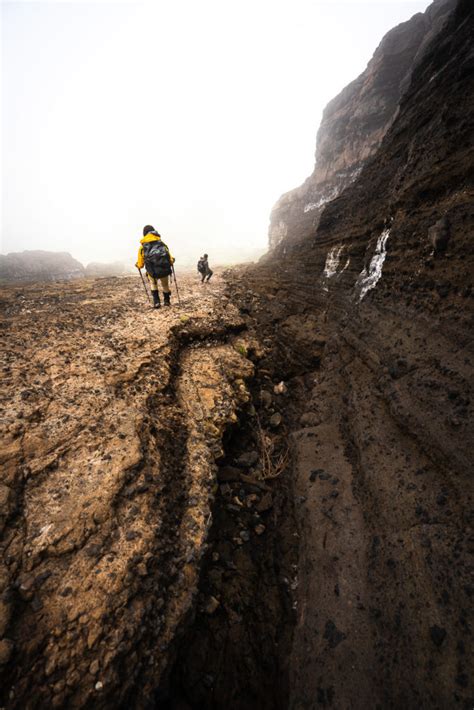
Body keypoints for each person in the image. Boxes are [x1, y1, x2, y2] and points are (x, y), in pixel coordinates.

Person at [135, 225, 175, 308]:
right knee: (165, 285)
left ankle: (157, 302)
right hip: (164, 269)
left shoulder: (142, 247)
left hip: (152, 271)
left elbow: (141, 265)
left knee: (153, 284)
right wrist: (172, 260)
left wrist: (137, 265)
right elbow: (170, 259)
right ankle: (167, 301)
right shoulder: (162, 244)